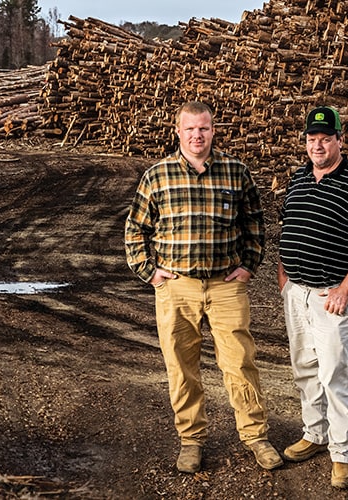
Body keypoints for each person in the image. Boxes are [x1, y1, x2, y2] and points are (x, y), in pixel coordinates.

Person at [124, 101, 282, 474]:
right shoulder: (157, 175)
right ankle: (191, 440)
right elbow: (135, 229)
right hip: (177, 287)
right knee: (181, 366)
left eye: (204, 128)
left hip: (226, 285)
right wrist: (149, 272)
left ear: (214, 130)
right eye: (190, 129)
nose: (197, 135)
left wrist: (248, 266)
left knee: (240, 362)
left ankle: (255, 435)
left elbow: (255, 223)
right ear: (177, 132)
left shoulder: (235, 172)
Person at [277, 105, 348, 489]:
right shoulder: (298, 178)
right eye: (312, 139)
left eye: (326, 138)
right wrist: (284, 278)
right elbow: (288, 227)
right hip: (297, 292)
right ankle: (315, 433)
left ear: (340, 140)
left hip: (331, 294)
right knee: (305, 368)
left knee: (334, 374)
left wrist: (346, 288)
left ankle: (343, 453)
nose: (318, 145)